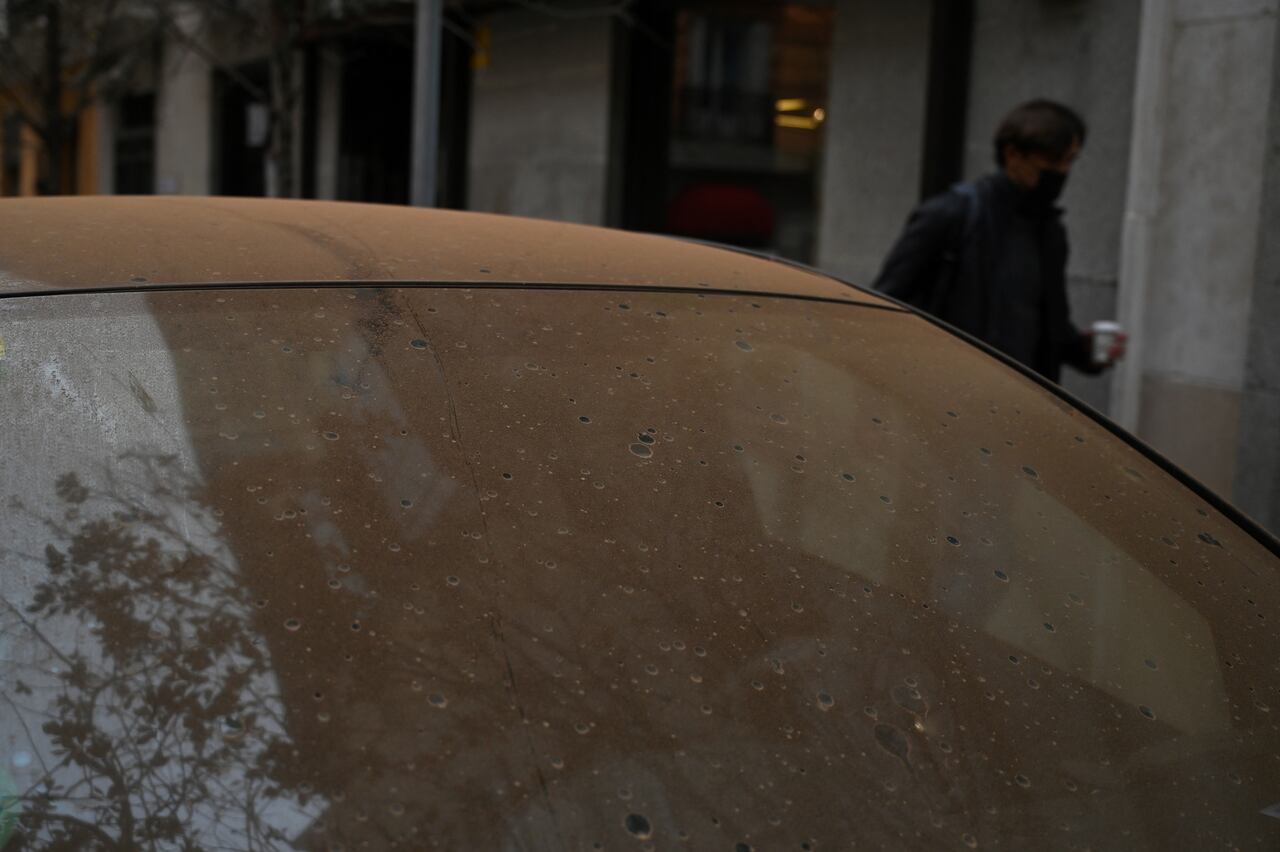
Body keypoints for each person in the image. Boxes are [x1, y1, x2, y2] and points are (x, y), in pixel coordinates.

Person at [872, 99, 1124, 383]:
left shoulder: (1049, 231)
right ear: (1013, 154)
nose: (1063, 172)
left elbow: (1046, 326)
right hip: (947, 395)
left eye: (1070, 161)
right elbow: (884, 303)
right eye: (1053, 161)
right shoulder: (950, 215)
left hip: (1024, 402)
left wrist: (1086, 351)